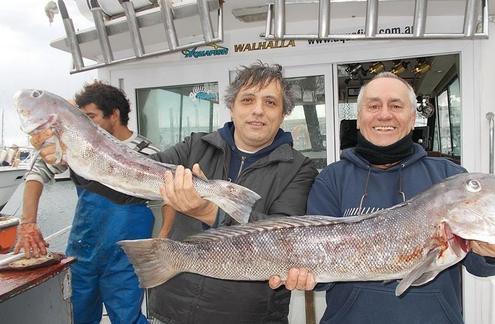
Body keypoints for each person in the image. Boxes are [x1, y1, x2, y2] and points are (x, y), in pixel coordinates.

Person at [268, 72, 495, 324]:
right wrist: (305, 276)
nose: (384, 114)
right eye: (373, 106)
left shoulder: (449, 176)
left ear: (412, 119)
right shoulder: (332, 179)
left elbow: (480, 263)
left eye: (396, 106)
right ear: (359, 119)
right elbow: (321, 276)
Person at [149, 61, 319, 323]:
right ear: (231, 107)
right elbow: (130, 181)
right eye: (248, 99)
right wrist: (75, 157)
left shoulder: (300, 169)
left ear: (283, 112)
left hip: (249, 316)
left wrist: (211, 212)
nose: (258, 111)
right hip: (173, 309)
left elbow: (284, 237)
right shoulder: (194, 147)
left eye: (270, 103)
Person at [14, 81, 163, 324]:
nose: (85, 123)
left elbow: (168, 202)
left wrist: (162, 242)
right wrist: (27, 222)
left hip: (127, 255)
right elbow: (36, 174)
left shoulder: (149, 152)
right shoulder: (73, 145)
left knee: (128, 317)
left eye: (91, 116)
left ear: (114, 114)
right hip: (83, 249)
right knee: (79, 315)